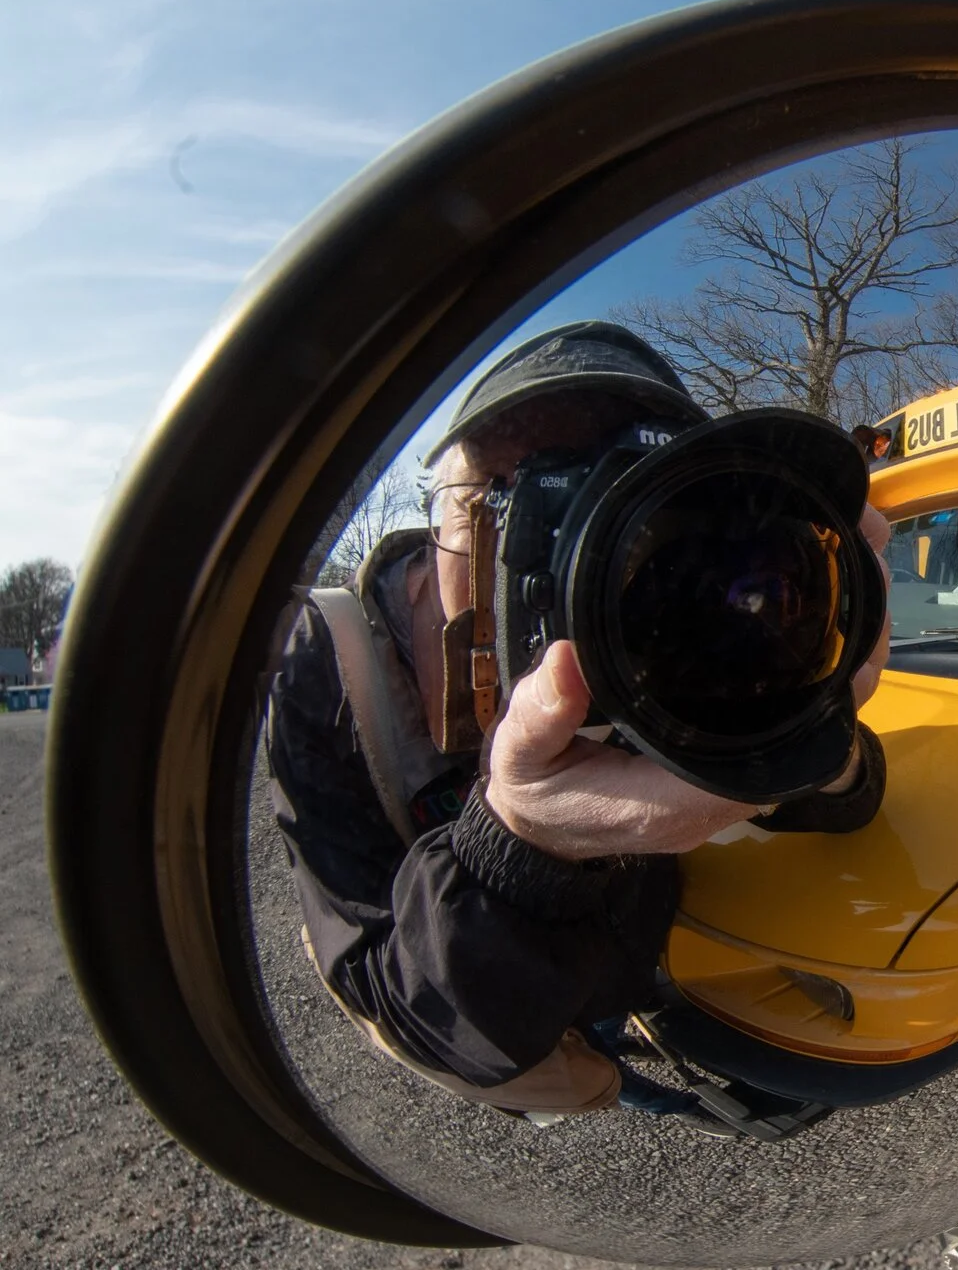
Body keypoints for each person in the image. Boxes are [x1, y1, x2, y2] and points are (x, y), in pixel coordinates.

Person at [265, 321, 891, 1117]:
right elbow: (389, 997)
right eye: (519, 505)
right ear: (442, 519)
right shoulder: (332, 666)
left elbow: (849, 799)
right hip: (548, 1035)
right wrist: (519, 847)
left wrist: (814, 714)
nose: (569, 570)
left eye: (626, 512)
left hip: (661, 985)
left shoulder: (678, 623)